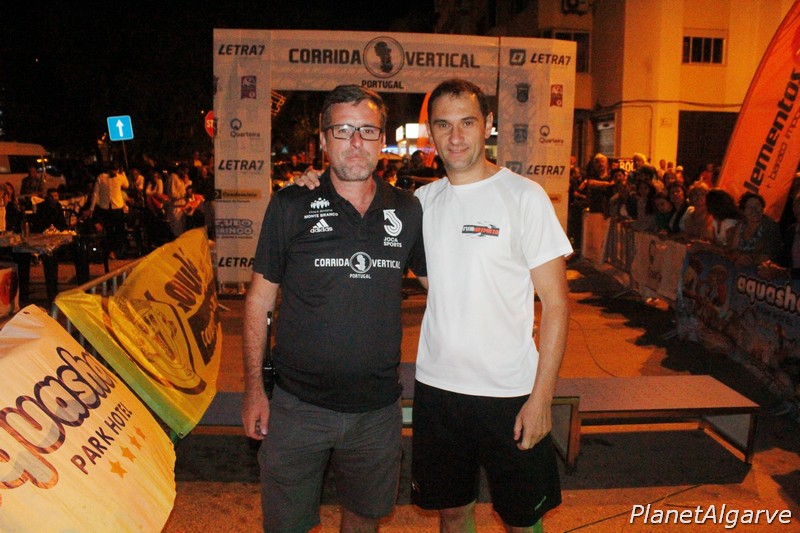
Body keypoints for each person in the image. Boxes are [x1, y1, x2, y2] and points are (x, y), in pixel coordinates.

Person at [241, 85, 427, 533]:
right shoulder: (290, 205)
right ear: (324, 140)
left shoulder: (407, 210)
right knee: (286, 524)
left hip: (377, 411)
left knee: (365, 519)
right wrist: (254, 390)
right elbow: (259, 301)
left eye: (367, 130)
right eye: (343, 130)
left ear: (382, 140)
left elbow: (445, 287)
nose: (356, 142)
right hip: (297, 407)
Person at [411, 79, 571, 532]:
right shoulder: (421, 203)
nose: (455, 136)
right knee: (452, 512)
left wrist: (542, 398)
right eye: (443, 124)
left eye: (467, 122)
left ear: (488, 125)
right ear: (431, 131)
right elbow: (432, 278)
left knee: (522, 519)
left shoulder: (524, 197)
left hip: (511, 393)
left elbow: (557, 305)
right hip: (438, 391)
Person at [85, 164, 129, 258]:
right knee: (109, 231)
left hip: (117, 207)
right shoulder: (101, 177)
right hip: (105, 208)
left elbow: (126, 185)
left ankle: (117, 251)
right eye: (113, 170)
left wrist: (123, 173)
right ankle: (109, 251)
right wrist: (91, 208)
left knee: (119, 230)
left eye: (116, 170)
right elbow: (95, 193)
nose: (115, 172)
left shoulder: (119, 177)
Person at [730, 191, 782, 266]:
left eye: (757, 205)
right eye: (749, 207)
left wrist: (747, 260)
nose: (754, 209)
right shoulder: (741, 225)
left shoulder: (770, 227)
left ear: (762, 208)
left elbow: (768, 255)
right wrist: (738, 257)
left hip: (760, 269)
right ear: (743, 211)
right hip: (739, 266)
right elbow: (733, 249)